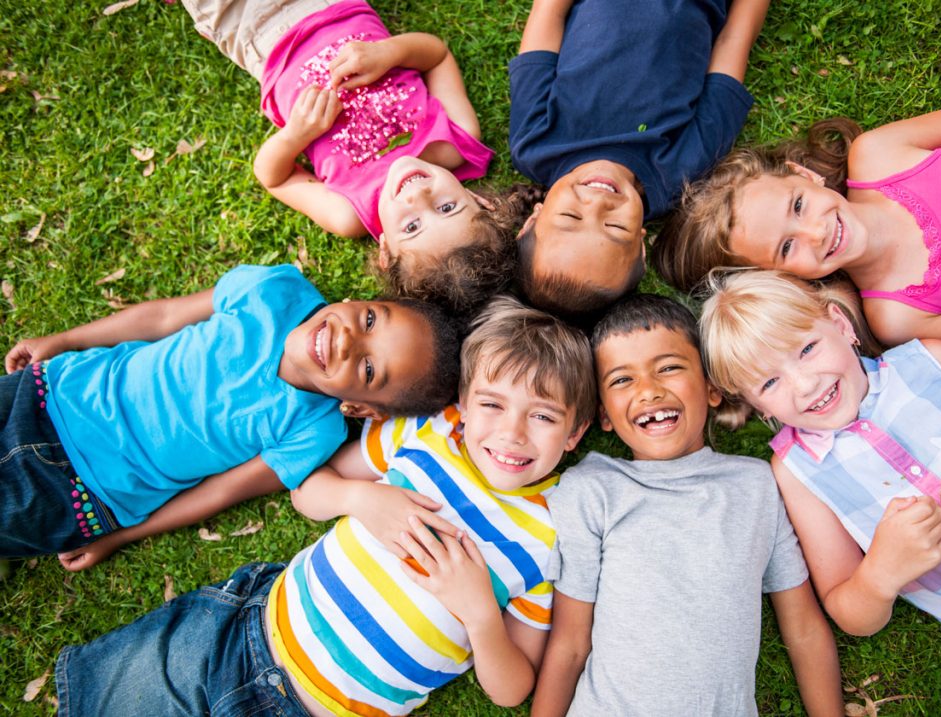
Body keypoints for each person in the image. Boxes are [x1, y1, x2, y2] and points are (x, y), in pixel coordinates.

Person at [56, 295, 597, 716]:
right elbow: (306, 488)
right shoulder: (428, 437)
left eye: (544, 417)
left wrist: (480, 614)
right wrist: (359, 497)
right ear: (462, 401)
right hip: (246, 628)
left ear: (576, 433)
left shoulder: (548, 538)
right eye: (491, 404)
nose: (511, 433)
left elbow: (513, 689)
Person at [2, 263, 460, 571]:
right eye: (370, 321)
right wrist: (64, 340)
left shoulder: (313, 432)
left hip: (80, 492)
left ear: (360, 408)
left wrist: (121, 537)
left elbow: (221, 490)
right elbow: (163, 317)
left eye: (368, 368)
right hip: (54, 390)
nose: (347, 341)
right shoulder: (275, 290)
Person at [700, 269, 941, 686]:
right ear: (756, 404)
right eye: (769, 382)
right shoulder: (797, 471)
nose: (804, 384)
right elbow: (849, 611)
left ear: (840, 324)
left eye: (807, 349)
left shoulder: (932, 361)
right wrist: (881, 574)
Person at [530, 293, 843, 716]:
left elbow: (803, 627)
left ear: (712, 388)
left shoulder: (756, 486)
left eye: (670, 368)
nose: (649, 391)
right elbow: (569, 643)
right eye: (622, 380)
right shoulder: (592, 489)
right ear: (604, 415)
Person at [654, 83, 941, 377]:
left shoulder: (879, 153)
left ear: (805, 175)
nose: (815, 234)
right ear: (784, 280)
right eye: (786, 248)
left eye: (798, 206)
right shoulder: (895, 315)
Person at [180, 0, 526, 311]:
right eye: (447, 207)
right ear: (481, 201)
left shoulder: (349, 213)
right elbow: (436, 55)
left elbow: (274, 176)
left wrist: (297, 134)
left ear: (386, 252)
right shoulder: (455, 141)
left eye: (412, 226)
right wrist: (389, 53)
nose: (418, 195)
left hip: (261, 36)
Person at [508, 0, 770, 319]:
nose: (597, 203)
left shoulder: (535, 141)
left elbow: (547, 15)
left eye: (570, 217)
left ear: (532, 221)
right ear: (641, 248)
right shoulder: (681, 172)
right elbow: (734, 43)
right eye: (616, 226)